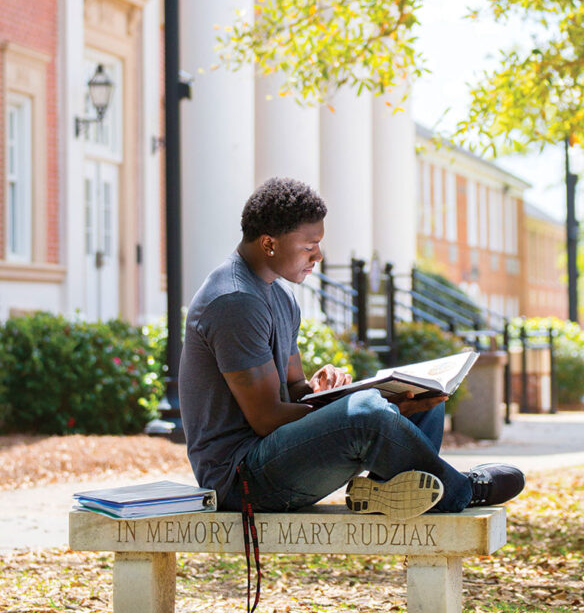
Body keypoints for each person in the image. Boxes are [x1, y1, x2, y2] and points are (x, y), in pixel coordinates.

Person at [178, 177, 525, 520]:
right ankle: (461, 491)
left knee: (424, 398)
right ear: (269, 244)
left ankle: (386, 490)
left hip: (276, 456)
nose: (319, 255)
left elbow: (295, 390)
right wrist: (362, 407)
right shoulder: (234, 300)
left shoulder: (280, 295)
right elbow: (267, 418)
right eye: (310, 246)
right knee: (365, 413)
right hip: (242, 480)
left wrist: (322, 390)